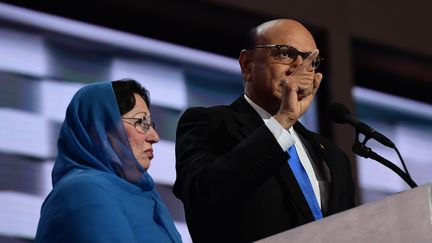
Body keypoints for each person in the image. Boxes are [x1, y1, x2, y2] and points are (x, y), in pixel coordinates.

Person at [173, 19, 355, 242]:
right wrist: (284, 119)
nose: (298, 67)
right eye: (285, 53)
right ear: (247, 65)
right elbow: (202, 196)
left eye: (310, 60)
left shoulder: (332, 155)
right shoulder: (208, 123)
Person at [35, 79, 182, 243]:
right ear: (100, 131)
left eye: (150, 124)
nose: (155, 137)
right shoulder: (84, 189)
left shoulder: (148, 196)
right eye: (141, 123)